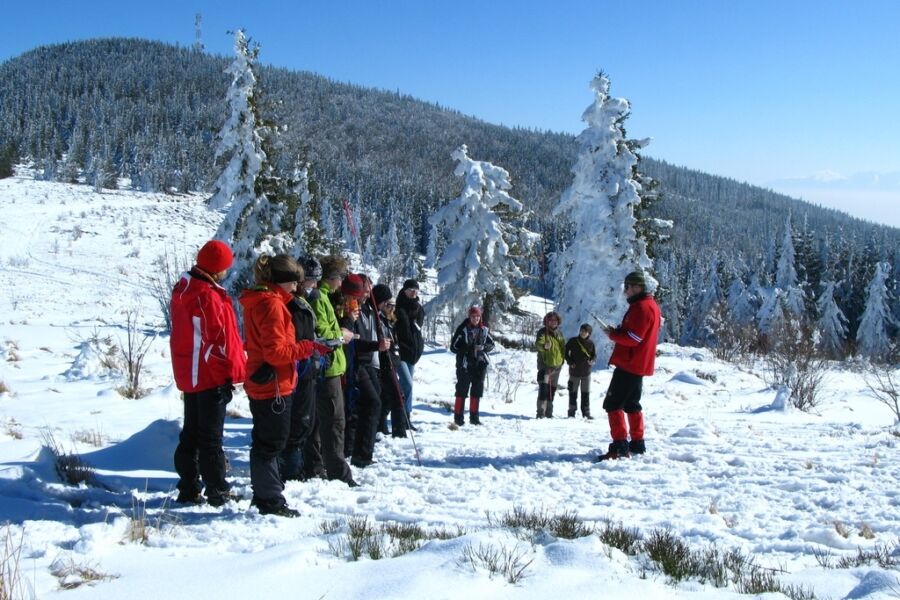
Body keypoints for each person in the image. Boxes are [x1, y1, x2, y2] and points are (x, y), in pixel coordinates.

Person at [240, 254, 333, 516]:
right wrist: (308, 347)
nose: (297, 288)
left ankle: (266, 493)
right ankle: (269, 499)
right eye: (294, 283)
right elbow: (276, 353)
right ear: (283, 281)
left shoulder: (267, 301)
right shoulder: (271, 305)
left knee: (267, 441)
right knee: (271, 443)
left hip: (272, 382)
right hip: (273, 386)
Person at [170, 240, 247, 507]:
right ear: (218, 268)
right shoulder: (206, 295)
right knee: (211, 438)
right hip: (209, 376)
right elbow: (217, 340)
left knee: (191, 434)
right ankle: (217, 490)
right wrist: (226, 374)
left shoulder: (186, 289)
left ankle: (189, 487)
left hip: (192, 374)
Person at [596, 270, 662, 461]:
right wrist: (618, 332)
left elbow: (634, 338)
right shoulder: (650, 306)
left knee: (613, 403)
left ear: (638, 287)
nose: (625, 291)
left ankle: (619, 446)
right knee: (632, 404)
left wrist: (613, 335)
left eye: (628, 287)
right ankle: (637, 443)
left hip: (630, 363)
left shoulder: (642, 307)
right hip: (638, 363)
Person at [308, 254, 357, 486]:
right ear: (333, 277)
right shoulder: (319, 298)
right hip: (326, 369)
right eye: (341, 276)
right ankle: (338, 473)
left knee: (324, 422)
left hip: (332, 368)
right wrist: (341, 335)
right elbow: (321, 333)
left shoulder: (327, 297)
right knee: (334, 423)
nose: (342, 282)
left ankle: (318, 467)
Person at [343, 274, 388, 468]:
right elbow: (354, 339)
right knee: (370, 403)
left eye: (369, 288)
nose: (368, 291)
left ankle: (360, 450)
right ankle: (358, 452)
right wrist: (375, 346)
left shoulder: (371, 309)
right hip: (357, 362)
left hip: (369, 362)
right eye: (365, 287)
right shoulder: (354, 308)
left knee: (373, 403)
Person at [450, 304, 494, 425]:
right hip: (465, 365)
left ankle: (474, 418)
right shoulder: (463, 329)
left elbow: (492, 345)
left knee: (477, 391)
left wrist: (484, 347)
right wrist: (467, 348)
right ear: (469, 316)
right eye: (473, 316)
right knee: (461, 390)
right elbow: (453, 347)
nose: (475, 319)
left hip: (479, 365)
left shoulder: (484, 329)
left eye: (478, 316)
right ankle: (458, 418)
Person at [373, 284, 407, 439]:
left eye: (393, 305)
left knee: (387, 397)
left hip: (392, 360)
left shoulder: (391, 321)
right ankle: (398, 431)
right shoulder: (378, 319)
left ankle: (382, 427)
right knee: (396, 395)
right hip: (384, 362)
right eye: (388, 304)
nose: (391, 308)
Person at [394, 279, 424, 429]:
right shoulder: (398, 307)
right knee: (407, 384)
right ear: (404, 290)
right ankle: (401, 416)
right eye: (411, 289)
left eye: (416, 290)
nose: (413, 292)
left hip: (412, 353)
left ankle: (406, 418)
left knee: (407, 386)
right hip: (400, 352)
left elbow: (417, 330)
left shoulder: (419, 308)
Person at [535, 311, 565, 418]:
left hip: (557, 366)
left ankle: (549, 413)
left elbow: (563, 348)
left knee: (551, 390)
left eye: (555, 320)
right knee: (543, 388)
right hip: (545, 365)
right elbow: (538, 344)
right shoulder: (542, 332)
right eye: (550, 320)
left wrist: (562, 360)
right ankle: (540, 413)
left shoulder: (559, 334)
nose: (553, 322)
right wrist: (544, 346)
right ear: (546, 321)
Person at [565, 323, 597, 419]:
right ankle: (571, 412)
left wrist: (592, 360)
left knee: (585, 394)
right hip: (574, 372)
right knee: (572, 393)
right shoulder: (573, 341)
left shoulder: (591, 344)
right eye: (582, 330)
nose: (583, 333)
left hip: (586, 373)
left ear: (589, 333)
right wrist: (570, 362)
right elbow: (565, 352)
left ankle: (586, 413)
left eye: (585, 331)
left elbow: (594, 355)